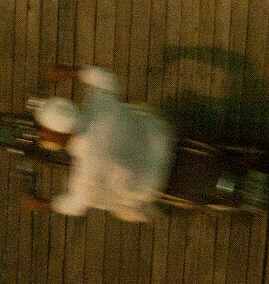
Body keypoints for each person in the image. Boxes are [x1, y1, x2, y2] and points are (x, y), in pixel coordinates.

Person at [22, 65, 173, 223]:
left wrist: (40, 204)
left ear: (62, 133)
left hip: (154, 183)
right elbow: (105, 78)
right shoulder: (100, 103)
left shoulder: (84, 175)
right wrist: (68, 72)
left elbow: (75, 205)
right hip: (161, 136)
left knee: (112, 202)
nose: (41, 134)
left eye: (45, 131)